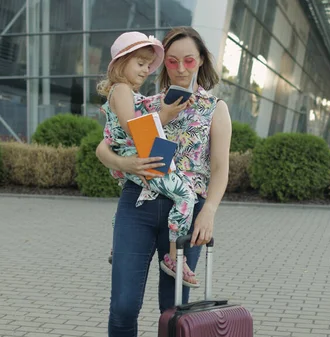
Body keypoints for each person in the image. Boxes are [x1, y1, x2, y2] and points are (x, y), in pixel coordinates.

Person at [95, 26, 232, 337]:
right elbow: (104, 145)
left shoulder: (215, 109)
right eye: (172, 61)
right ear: (163, 64)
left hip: (187, 213)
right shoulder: (143, 100)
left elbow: (221, 168)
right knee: (124, 306)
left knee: (173, 311)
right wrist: (123, 162)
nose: (181, 69)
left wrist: (208, 211)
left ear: (200, 61)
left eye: (188, 60)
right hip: (137, 206)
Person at [96, 31, 201, 288]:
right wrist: (164, 115)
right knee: (186, 196)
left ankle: (117, 247)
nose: (145, 71)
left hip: (140, 155)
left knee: (131, 202)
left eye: (148, 65)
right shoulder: (121, 89)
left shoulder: (128, 92)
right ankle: (174, 257)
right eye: (140, 64)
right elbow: (132, 128)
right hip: (138, 157)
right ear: (121, 64)